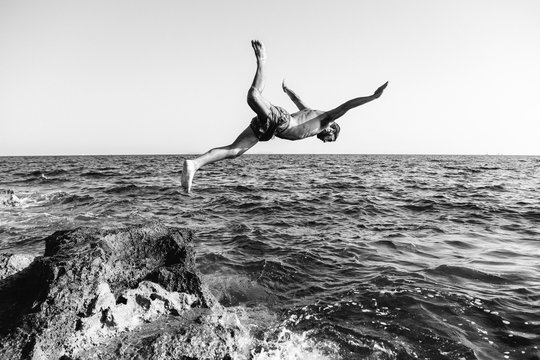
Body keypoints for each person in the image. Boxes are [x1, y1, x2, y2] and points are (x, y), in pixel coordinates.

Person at [181, 40, 388, 192]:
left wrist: (288, 90)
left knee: (234, 151)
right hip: (280, 121)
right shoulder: (327, 120)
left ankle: (195, 164)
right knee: (253, 96)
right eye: (331, 139)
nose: (327, 141)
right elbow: (348, 105)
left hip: (270, 130)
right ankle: (262, 61)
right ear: (333, 129)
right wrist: (373, 96)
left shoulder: (313, 115)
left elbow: (298, 100)